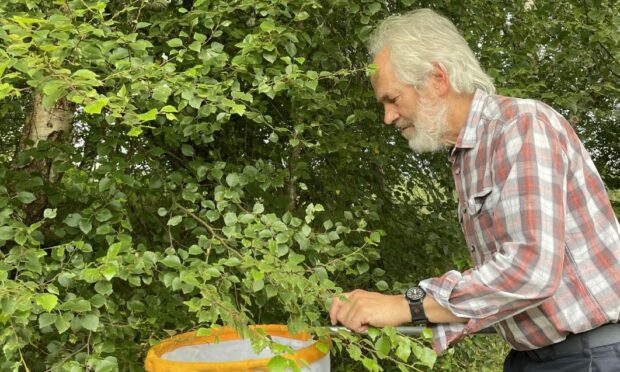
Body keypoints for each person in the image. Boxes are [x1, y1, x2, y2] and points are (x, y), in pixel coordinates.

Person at [328, 8, 620, 371]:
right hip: (533, 358)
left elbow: (531, 271)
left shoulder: (521, 127)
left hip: (589, 356)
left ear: (437, 79)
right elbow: (500, 291)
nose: (388, 117)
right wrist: (397, 318)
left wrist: (408, 305)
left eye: (392, 99)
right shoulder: (468, 155)